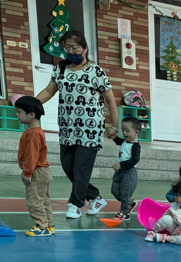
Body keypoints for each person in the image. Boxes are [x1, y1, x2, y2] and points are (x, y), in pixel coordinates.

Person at [23, 29, 118, 219]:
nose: (71, 51)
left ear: (85, 48)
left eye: (74, 47)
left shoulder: (96, 71)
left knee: (81, 167)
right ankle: (95, 197)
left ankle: (75, 204)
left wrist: (115, 125)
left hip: (90, 128)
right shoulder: (60, 69)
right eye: (66, 48)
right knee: (68, 166)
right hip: (67, 127)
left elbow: (110, 100)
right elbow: (49, 91)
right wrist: (32, 103)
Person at [14, 96, 53, 237]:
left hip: (37, 171)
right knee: (44, 200)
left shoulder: (33, 133)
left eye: (19, 112)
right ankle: (49, 225)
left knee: (34, 201)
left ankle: (42, 226)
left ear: (31, 114)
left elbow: (32, 155)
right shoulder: (35, 131)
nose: (17, 115)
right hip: (43, 171)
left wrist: (27, 172)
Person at [145, 179, 181, 245]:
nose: (178, 198)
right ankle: (152, 232)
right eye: (176, 195)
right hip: (173, 229)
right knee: (167, 218)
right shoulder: (175, 206)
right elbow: (165, 216)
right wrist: (163, 227)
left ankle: (165, 238)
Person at [110, 116, 142, 222]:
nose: (124, 133)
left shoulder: (135, 146)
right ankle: (129, 203)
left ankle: (124, 213)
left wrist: (121, 164)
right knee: (114, 190)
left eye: (127, 131)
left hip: (129, 172)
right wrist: (113, 136)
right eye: (123, 130)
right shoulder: (125, 141)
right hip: (120, 171)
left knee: (125, 192)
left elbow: (134, 160)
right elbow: (119, 141)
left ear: (136, 132)